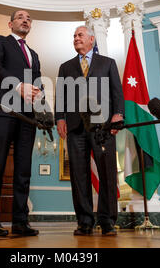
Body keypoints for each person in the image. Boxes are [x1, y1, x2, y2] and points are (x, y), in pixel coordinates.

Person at [55, 26, 124, 236]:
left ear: (92, 40)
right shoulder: (65, 67)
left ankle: (107, 221)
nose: (76, 38)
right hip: (75, 127)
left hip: (102, 125)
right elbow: (60, 96)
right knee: (78, 175)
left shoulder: (108, 63)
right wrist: (59, 118)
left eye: (80, 35)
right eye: (74, 35)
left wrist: (118, 114)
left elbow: (117, 92)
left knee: (107, 173)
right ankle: (85, 221)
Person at [0, 10, 42, 236]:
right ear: (10, 23)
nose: (25, 20)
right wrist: (19, 87)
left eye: (28, 19)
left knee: (23, 170)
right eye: (20, 17)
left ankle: (20, 222)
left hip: (28, 116)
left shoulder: (34, 54)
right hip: (4, 110)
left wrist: (39, 93)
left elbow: (37, 78)